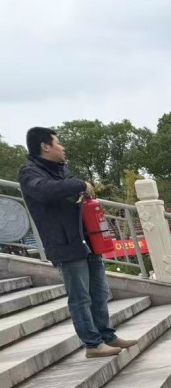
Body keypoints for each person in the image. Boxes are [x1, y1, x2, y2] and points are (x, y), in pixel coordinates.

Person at [18, 127, 137, 358]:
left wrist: (84, 191)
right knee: (80, 298)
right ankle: (92, 344)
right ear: (45, 146)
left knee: (99, 292)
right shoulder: (29, 173)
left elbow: (72, 189)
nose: (63, 148)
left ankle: (107, 336)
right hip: (65, 245)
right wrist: (81, 185)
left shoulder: (61, 169)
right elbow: (46, 191)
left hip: (86, 240)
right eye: (58, 143)